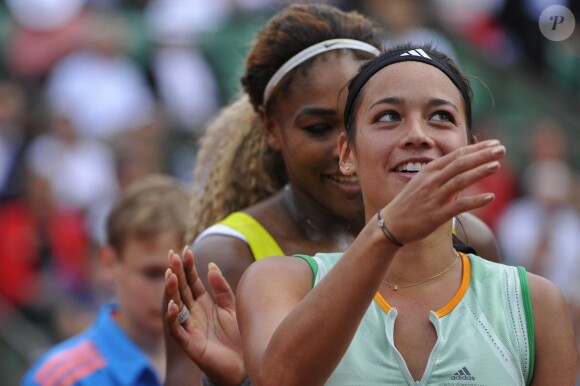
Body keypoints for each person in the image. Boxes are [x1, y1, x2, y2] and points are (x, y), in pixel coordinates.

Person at [165, 3, 500, 385]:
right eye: (318, 127)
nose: (344, 144)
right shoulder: (229, 258)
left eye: (379, 119)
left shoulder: (465, 238)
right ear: (272, 128)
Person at [228, 44, 578, 384]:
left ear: (468, 147)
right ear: (347, 154)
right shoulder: (281, 282)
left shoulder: (535, 303)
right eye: (388, 117)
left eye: (441, 116)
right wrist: (387, 232)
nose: (417, 135)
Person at [22, 174, 190, 386]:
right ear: (109, 263)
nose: (170, 290)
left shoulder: (213, 367)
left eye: (182, 274)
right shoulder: (60, 379)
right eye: (152, 273)